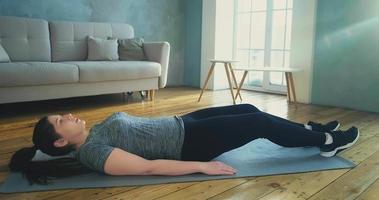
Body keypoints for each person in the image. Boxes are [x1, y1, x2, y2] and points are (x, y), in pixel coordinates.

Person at [9, 104, 359, 185]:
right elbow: (147, 167)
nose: (68, 116)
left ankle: (307, 129)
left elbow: (45, 150)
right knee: (256, 123)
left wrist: (36, 153)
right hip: (188, 144)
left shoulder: (91, 134)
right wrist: (201, 166)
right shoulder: (93, 153)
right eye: (61, 121)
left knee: (249, 109)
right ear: (61, 139)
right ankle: (325, 142)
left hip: (181, 122)